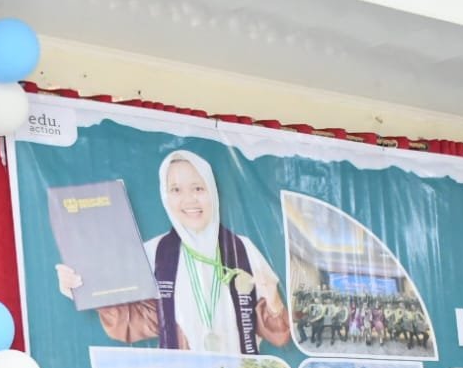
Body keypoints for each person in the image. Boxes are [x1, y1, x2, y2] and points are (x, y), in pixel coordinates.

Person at [56, 150, 290, 354]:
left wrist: (272, 298)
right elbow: (133, 322)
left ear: (213, 193)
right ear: (165, 197)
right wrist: (85, 287)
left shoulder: (244, 250)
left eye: (198, 188)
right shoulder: (154, 253)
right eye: (176, 190)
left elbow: (277, 334)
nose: (189, 199)